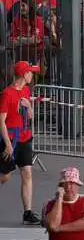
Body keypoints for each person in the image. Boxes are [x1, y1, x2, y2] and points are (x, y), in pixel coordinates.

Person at [0, 60, 41, 225]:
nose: (32, 75)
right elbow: (1, 121)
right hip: (10, 139)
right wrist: (8, 144)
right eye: (30, 72)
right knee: (5, 176)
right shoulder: (7, 94)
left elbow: (29, 116)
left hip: (24, 137)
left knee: (27, 174)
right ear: (24, 74)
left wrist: (28, 107)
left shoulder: (25, 90)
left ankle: (28, 212)